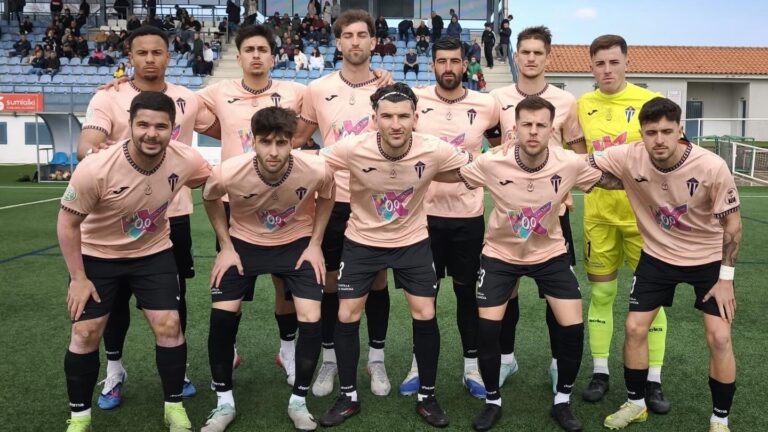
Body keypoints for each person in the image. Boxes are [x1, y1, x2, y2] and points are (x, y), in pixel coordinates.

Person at [452, 95, 622, 432]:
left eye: (541, 125)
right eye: (526, 125)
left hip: (550, 254)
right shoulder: (492, 162)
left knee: (572, 328)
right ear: (514, 129)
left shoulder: (568, 162)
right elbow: (452, 174)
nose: (533, 131)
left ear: (551, 129)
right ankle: (492, 401)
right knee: (488, 330)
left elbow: (611, 181)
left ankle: (562, 401)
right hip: (501, 254)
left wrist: (651, 174)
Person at [77, 25, 220, 411]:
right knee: (114, 299)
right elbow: (87, 145)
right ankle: (115, 369)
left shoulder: (187, 98)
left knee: (174, 298)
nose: (150, 59)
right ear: (130, 57)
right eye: (142, 53)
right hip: (117, 217)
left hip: (172, 214)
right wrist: (102, 156)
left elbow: (230, 125)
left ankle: (179, 370)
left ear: (168, 56)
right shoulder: (109, 97)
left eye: (157, 52)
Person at [317, 83, 472, 428]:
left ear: (416, 118)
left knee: (425, 311)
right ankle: (348, 396)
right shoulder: (353, 147)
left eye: (403, 116)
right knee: (346, 313)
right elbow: (314, 166)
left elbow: (472, 167)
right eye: (387, 116)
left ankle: (427, 396)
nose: (396, 124)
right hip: (362, 240)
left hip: (412, 241)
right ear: (374, 119)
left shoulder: (433, 148)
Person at [59, 91, 211, 432]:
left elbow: (210, 179)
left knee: (169, 325)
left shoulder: (186, 158)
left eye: (161, 126)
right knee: (85, 332)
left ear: (172, 129)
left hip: (153, 254)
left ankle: (174, 407)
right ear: (129, 125)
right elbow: (67, 223)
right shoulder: (96, 167)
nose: (151, 134)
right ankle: (80, 418)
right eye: (143, 125)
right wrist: (78, 278)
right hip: (98, 256)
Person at [589, 97, 740, 432]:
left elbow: (732, 224)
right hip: (657, 256)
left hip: (708, 259)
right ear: (641, 133)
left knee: (719, 337)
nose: (659, 139)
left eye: (667, 131)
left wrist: (726, 279)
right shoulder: (629, 155)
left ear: (680, 130)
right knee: (634, 328)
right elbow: (582, 164)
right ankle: (636, 404)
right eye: (651, 132)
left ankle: (720, 420)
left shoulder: (711, 166)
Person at [200, 107, 335, 432]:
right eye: (265, 142)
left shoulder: (316, 168)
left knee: (311, 318)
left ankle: (298, 401)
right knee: (222, 317)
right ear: (253, 141)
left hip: (295, 243)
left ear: (292, 142)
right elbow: (210, 197)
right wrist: (226, 246)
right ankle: (224, 403)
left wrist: (315, 243)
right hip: (244, 243)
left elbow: (328, 195)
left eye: (281, 142)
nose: (273, 152)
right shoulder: (228, 171)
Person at [194, 24, 309, 390]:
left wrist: (381, 76)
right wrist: (126, 84)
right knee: (232, 280)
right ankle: (228, 350)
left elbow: (327, 105)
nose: (256, 55)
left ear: (273, 57)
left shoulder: (295, 92)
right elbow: (175, 101)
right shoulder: (218, 91)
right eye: (249, 50)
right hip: (235, 203)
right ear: (239, 56)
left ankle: (287, 350)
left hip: (284, 202)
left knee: (284, 284)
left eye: (263, 50)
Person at [292, 9, 394, 400]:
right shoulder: (318, 89)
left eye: (362, 35)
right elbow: (297, 137)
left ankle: (376, 360)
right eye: (347, 35)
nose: (355, 42)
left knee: (378, 280)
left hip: (374, 200)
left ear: (373, 42)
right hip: (333, 200)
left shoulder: (388, 89)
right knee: (331, 281)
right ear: (337, 43)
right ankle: (331, 360)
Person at [397, 37, 499, 400]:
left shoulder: (486, 104)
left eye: (455, 61)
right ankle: (417, 365)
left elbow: (501, 148)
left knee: (467, 293)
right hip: (422, 217)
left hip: (467, 217)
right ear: (432, 65)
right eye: (441, 61)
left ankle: (471, 367)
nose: (448, 68)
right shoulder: (415, 99)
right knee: (423, 296)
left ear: (465, 65)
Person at [489, 26, 587, 392]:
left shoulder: (565, 101)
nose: (530, 58)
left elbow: (579, 154)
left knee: (556, 294)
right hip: (510, 216)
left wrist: (567, 189)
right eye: (525, 52)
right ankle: (506, 359)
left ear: (548, 57)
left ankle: (558, 363)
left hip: (553, 213)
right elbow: (494, 148)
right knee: (507, 290)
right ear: (515, 56)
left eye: (537, 53)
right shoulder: (497, 98)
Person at [577, 34, 670, 413]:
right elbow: (578, 158)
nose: (607, 70)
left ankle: (653, 379)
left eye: (614, 62)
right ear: (591, 67)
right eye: (600, 64)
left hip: (643, 221)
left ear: (627, 63)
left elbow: (665, 156)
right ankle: (600, 371)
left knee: (652, 302)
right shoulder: (582, 105)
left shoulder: (649, 102)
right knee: (601, 295)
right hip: (598, 218)